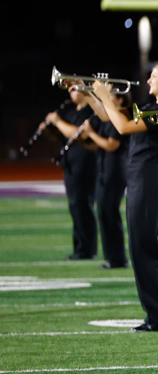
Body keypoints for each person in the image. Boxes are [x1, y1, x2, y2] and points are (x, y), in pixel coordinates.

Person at [89, 62, 158, 332]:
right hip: (140, 180)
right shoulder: (152, 107)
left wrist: (105, 95)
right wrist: (93, 95)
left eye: (153, 76)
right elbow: (108, 117)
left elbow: (122, 128)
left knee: (144, 248)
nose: (149, 80)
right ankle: (156, 315)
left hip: (148, 181)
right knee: (140, 248)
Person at [44, 84, 98, 261]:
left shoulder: (91, 112)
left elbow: (78, 134)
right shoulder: (70, 112)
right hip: (70, 164)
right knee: (75, 207)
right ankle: (80, 247)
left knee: (83, 206)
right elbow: (63, 136)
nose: (70, 92)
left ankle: (86, 249)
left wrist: (58, 122)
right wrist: (47, 130)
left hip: (85, 165)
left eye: (74, 88)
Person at [80, 92, 129, 269]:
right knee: (103, 212)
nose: (106, 96)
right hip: (104, 169)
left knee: (110, 212)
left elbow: (111, 145)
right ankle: (111, 257)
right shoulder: (107, 118)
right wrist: (82, 140)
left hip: (115, 171)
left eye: (110, 94)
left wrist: (91, 133)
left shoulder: (120, 117)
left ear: (120, 98)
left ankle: (118, 258)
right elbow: (99, 145)